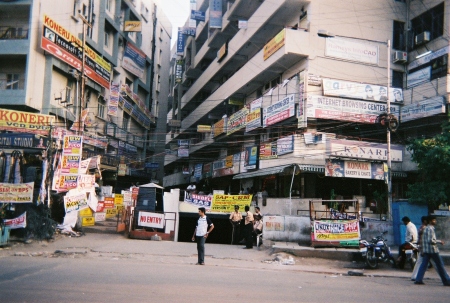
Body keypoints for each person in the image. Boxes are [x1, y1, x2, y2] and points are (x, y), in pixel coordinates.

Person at [414, 215, 450, 286]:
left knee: (423, 265)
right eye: (434, 220)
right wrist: (439, 241)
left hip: (427, 250)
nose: (435, 221)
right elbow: (430, 240)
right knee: (440, 265)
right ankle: (446, 280)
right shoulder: (430, 229)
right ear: (430, 221)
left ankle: (418, 279)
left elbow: (424, 241)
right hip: (433, 250)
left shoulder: (426, 228)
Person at [411, 216, 436, 281]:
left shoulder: (421, 228)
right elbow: (425, 240)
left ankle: (415, 276)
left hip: (422, 247)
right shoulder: (425, 228)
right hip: (425, 248)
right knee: (436, 264)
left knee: (419, 262)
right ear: (425, 221)